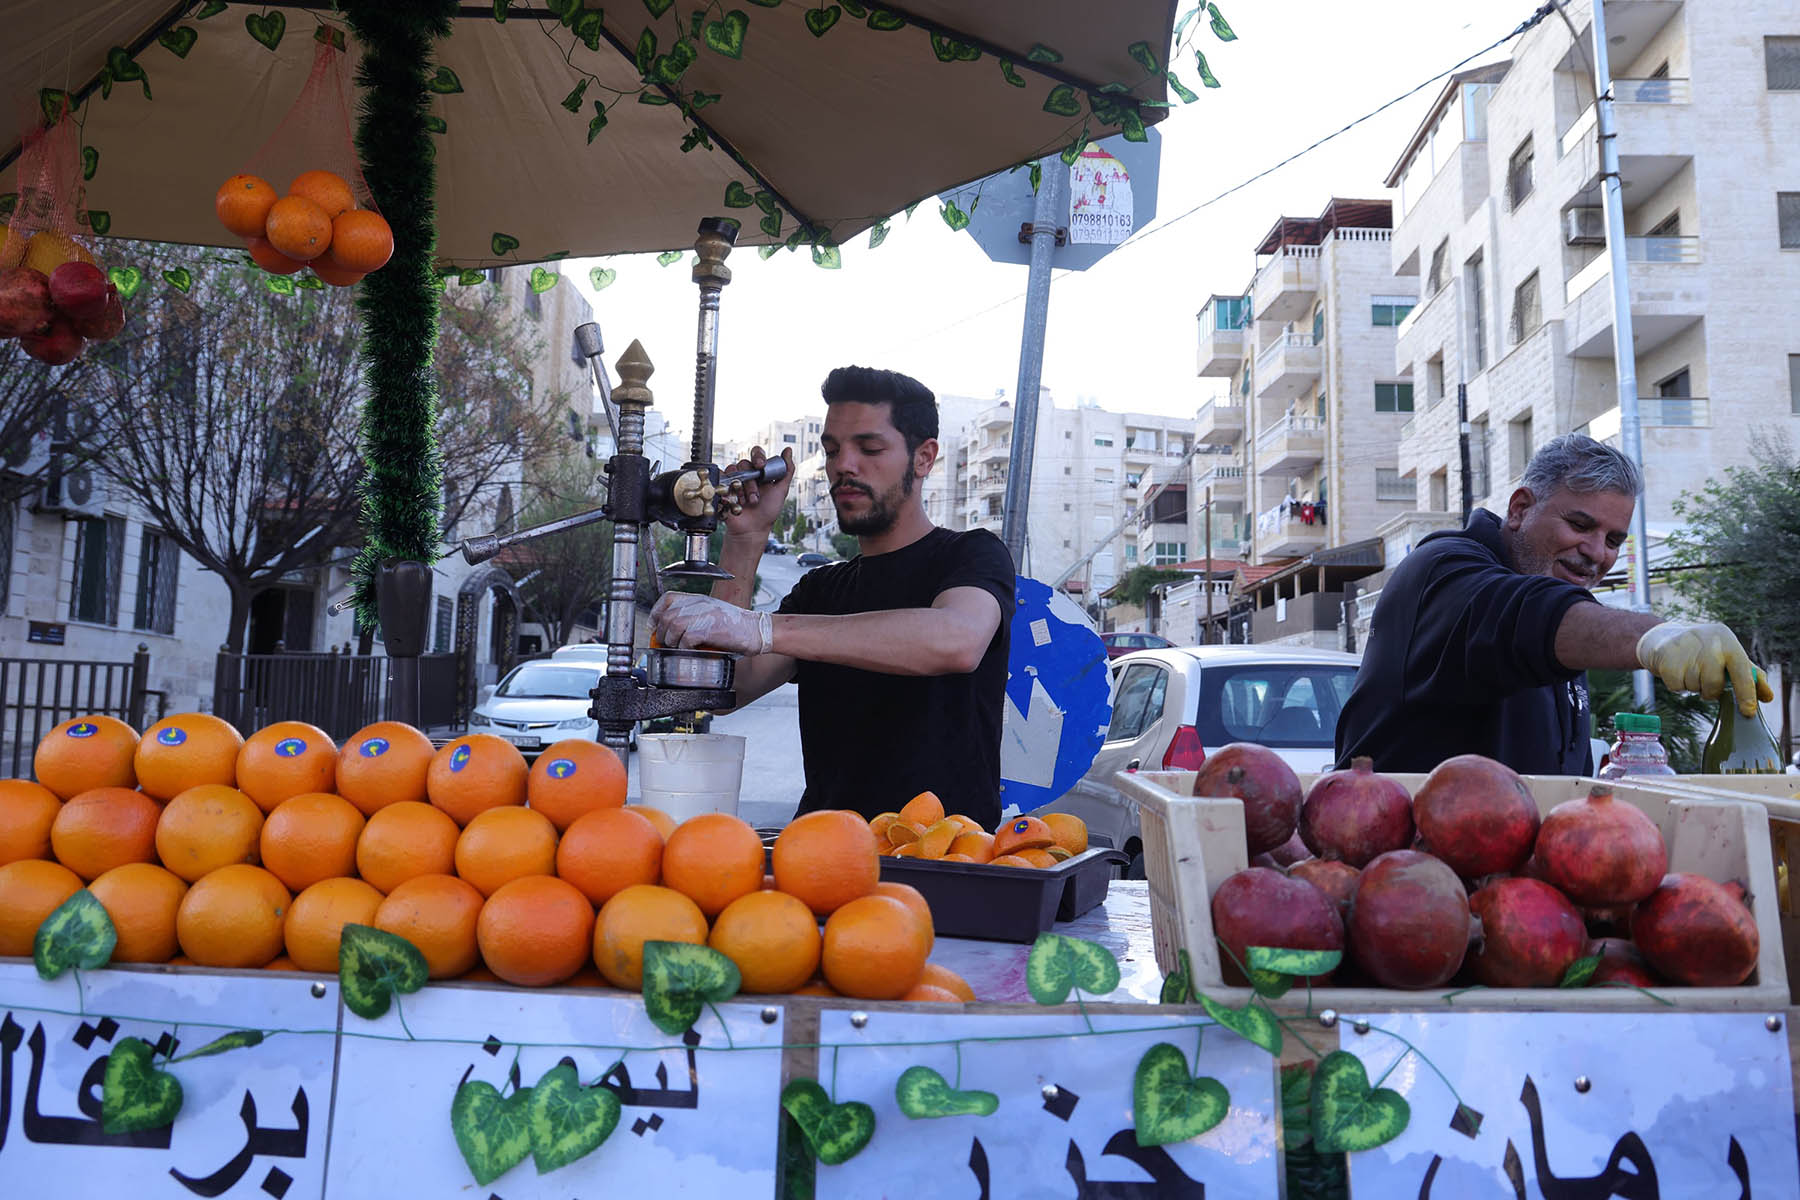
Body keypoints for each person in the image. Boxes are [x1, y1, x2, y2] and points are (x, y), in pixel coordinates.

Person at [650, 367, 1016, 827]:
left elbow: (956, 640)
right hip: (824, 863)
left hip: (946, 866)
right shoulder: (819, 590)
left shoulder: (972, 555)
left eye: (869, 448)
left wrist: (763, 629)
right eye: (832, 450)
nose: (844, 465)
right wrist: (746, 539)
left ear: (924, 458)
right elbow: (723, 690)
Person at [1336, 434, 1772, 775]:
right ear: (1521, 509)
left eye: (1614, 540)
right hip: (1405, 873)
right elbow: (1519, 615)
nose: (1597, 553)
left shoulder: (1561, 605)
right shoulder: (1443, 570)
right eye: (1580, 524)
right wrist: (1655, 636)